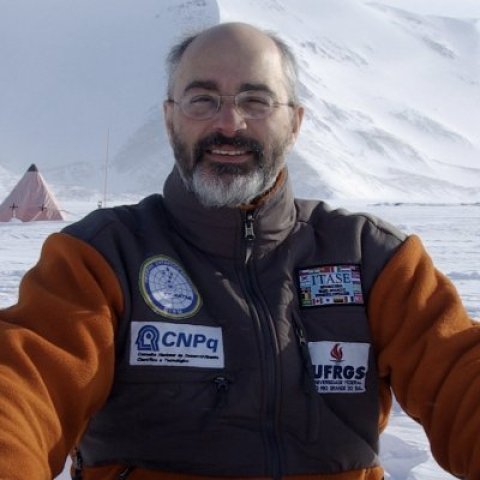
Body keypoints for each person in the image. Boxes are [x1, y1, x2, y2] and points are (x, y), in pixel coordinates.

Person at [0, 21, 479, 480]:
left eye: (256, 100)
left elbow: (461, 376)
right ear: (169, 119)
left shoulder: (372, 258)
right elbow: (21, 388)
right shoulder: (101, 257)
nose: (229, 124)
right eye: (202, 100)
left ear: (295, 122)